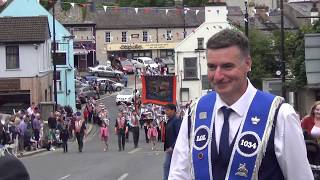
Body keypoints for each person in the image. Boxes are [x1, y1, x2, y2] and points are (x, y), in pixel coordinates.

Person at [168, 29, 313, 180]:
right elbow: (179, 174)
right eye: (212, 67)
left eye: (227, 66)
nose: (217, 76)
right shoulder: (196, 112)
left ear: (248, 64)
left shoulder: (279, 114)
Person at [163, 104, 181, 180]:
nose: (165, 112)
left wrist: (173, 147)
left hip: (174, 149)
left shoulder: (177, 121)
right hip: (169, 149)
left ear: (173, 110)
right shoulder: (169, 121)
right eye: (165, 110)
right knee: (168, 167)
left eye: (167, 110)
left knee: (167, 166)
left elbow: (180, 136)